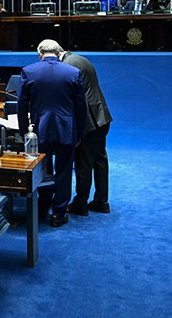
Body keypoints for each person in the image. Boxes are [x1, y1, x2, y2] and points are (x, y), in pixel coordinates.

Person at [17, 39, 88, 228]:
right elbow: (81, 106)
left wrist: (24, 132)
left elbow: (22, 106)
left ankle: (42, 206)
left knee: (43, 169)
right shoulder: (73, 72)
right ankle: (59, 213)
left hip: (39, 130)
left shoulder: (29, 71)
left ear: (40, 54)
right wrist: (80, 133)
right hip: (67, 129)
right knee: (64, 171)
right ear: (58, 53)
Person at [59, 49, 113, 216]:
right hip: (101, 117)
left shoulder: (67, 65)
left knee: (83, 162)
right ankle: (102, 201)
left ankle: (80, 203)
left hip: (88, 122)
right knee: (99, 159)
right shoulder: (81, 59)